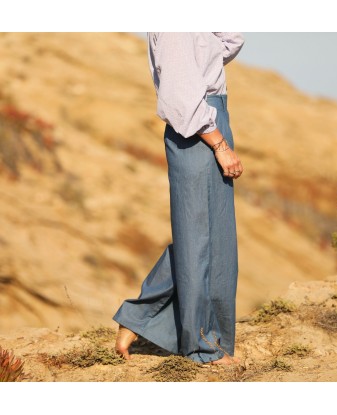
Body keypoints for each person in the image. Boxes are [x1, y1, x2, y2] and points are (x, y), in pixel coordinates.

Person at [113, 32, 245, 365]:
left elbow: (230, 41)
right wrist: (219, 144)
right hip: (197, 129)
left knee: (215, 242)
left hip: (213, 117)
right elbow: (180, 98)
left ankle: (140, 319)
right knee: (197, 241)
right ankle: (203, 346)